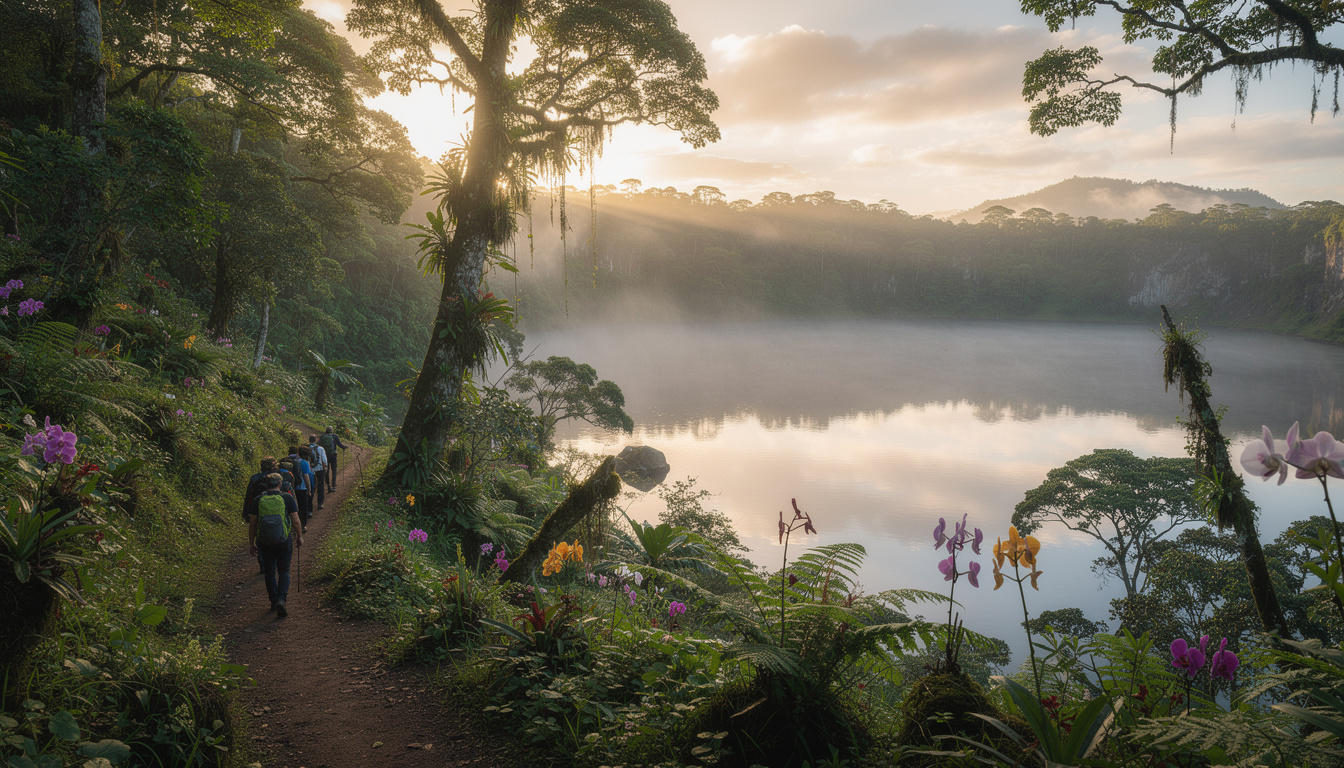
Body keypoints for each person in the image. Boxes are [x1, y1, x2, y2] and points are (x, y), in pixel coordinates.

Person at [246, 473, 302, 616]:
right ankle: (282, 600)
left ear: (267, 484)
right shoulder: (287, 498)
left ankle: (273, 600)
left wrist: (252, 543)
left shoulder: (259, 499)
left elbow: (252, 524)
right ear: (280, 484)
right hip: (284, 540)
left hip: (264, 541)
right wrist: (299, 536)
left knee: (270, 571)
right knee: (284, 571)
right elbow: (295, 520)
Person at [243, 458, 279, 572]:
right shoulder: (276, 478)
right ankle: (275, 560)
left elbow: (248, 496)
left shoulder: (255, 478)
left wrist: (246, 512)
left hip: (257, 508)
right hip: (274, 509)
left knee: (259, 534)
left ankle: (263, 564)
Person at [279, 447, 312, 531]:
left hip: (288, 489)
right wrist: (309, 489)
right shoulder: (303, 462)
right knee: (302, 507)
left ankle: (291, 526)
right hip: (301, 488)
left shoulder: (283, 463)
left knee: (290, 508)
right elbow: (306, 476)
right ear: (297, 453)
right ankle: (303, 525)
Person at [318, 427, 347, 491]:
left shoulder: (322, 437)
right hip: (333, 455)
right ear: (332, 431)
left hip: (325, 456)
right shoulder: (334, 436)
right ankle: (333, 484)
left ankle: (328, 486)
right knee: (334, 470)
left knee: (327, 470)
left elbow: (319, 445)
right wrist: (344, 447)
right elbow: (339, 444)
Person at [306, 435, 328, 510]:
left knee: (310, 487)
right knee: (320, 486)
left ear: (309, 440)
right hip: (319, 469)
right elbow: (324, 459)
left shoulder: (306, 449)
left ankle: (309, 508)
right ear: (316, 440)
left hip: (309, 470)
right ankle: (320, 503)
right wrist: (325, 468)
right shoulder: (320, 448)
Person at [297, 446, 317, 522]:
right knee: (310, 495)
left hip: (300, 485)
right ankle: (309, 511)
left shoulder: (298, 462)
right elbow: (307, 475)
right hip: (310, 479)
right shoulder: (306, 462)